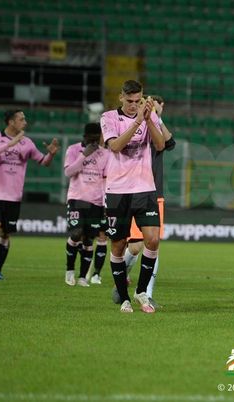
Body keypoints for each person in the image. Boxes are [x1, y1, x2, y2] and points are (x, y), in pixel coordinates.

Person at [100, 79, 165, 313]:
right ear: (121, 97)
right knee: (118, 246)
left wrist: (148, 119)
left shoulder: (148, 116)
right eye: (129, 101)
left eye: (138, 101)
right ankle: (124, 298)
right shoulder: (108, 118)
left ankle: (141, 292)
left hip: (145, 188)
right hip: (118, 191)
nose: (134, 105)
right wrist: (137, 121)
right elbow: (115, 146)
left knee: (153, 240)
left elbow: (160, 145)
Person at [0, 110, 59, 280]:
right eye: (21, 119)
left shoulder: (27, 143)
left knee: (5, 233)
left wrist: (51, 154)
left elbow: (43, 161)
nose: (25, 122)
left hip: (14, 195)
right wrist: (10, 144)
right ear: (11, 122)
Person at [119, 95, 176, 309]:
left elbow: (169, 143)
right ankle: (121, 276)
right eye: (147, 103)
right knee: (134, 247)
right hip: (132, 191)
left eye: (155, 103)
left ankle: (146, 294)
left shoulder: (156, 127)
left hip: (154, 192)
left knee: (153, 244)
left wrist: (156, 118)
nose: (151, 106)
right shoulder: (136, 127)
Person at [63, 123, 109, 287]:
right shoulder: (73, 150)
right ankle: (70, 270)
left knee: (89, 239)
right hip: (77, 198)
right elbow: (68, 172)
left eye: (98, 138)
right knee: (76, 233)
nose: (95, 142)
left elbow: (105, 180)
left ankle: (82, 277)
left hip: (96, 202)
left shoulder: (105, 154)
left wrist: (105, 204)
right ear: (85, 136)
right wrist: (84, 155)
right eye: (92, 138)